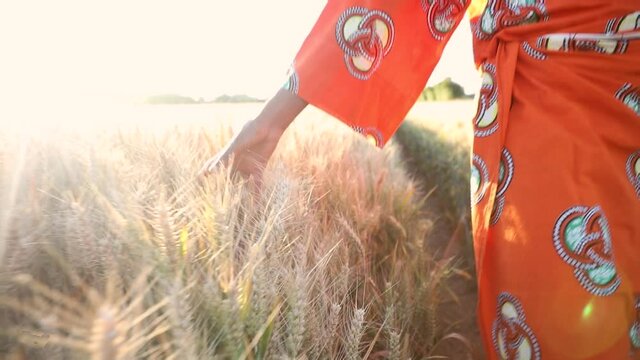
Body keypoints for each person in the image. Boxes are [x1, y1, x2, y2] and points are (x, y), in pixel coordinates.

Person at [201, 0, 640, 358]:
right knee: (575, 324)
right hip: (555, 104)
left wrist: (268, 123)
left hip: (563, 95)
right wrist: (268, 124)